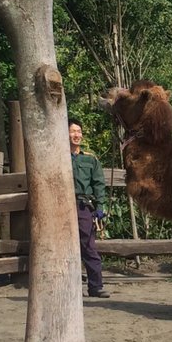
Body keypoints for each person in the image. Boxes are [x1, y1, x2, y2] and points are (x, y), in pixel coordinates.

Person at [68, 117, 110, 298]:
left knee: (89, 246)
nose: (76, 135)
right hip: (62, 206)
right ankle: (69, 287)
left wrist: (100, 207)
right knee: (65, 248)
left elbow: (99, 184)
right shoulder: (57, 156)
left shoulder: (90, 159)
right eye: (73, 131)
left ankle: (95, 286)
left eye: (79, 131)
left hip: (83, 206)